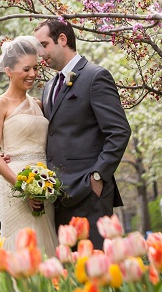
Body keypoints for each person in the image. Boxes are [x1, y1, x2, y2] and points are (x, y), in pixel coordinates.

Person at [35, 18, 131, 250]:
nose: (41, 55)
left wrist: (97, 177)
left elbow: (119, 131)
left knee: (97, 270)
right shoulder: (48, 87)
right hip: (58, 195)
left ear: (62, 39)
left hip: (89, 192)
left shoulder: (95, 76)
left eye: (44, 45)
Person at [0, 36, 58, 255]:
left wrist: (40, 188)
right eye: (26, 69)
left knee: (44, 246)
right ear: (8, 71)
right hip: (15, 188)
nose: (33, 74)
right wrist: (24, 188)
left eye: (35, 68)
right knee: (20, 249)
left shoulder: (38, 104)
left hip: (44, 186)